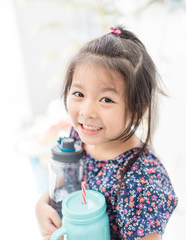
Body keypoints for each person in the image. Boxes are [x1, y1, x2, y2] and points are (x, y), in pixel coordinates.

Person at [35, 25, 178, 240]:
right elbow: (63, 185)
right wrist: (41, 207)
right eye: (79, 93)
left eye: (106, 99)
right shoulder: (78, 138)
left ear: (137, 109)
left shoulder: (141, 182)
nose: (86, 111)